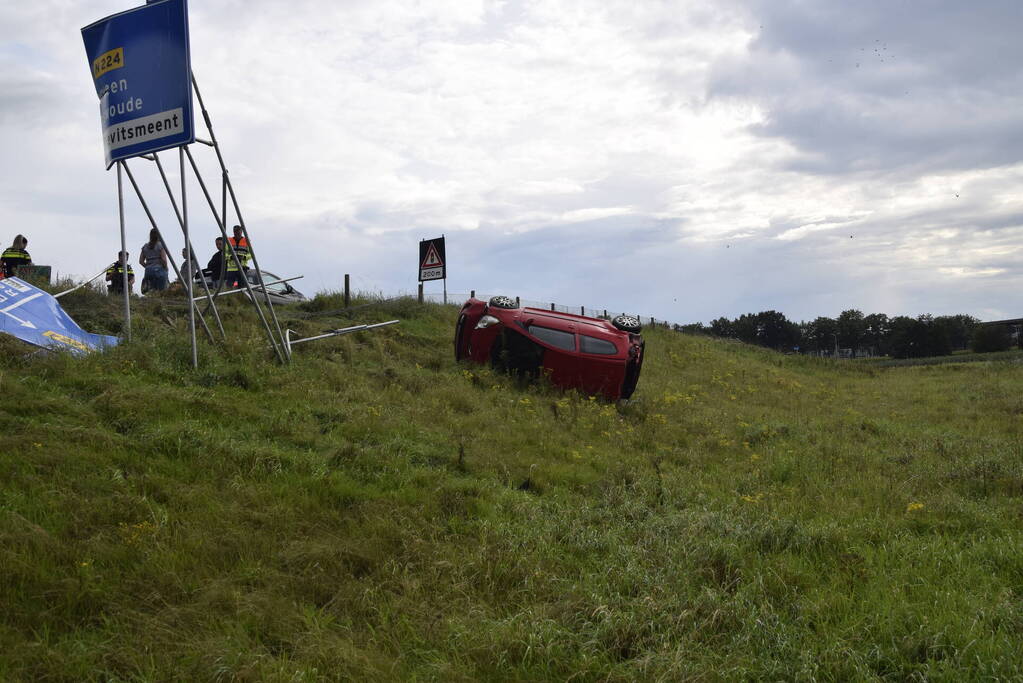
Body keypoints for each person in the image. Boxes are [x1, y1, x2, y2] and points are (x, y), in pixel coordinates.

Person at [139, 229, 168, 293]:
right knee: (161, 292)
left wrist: (148, 266)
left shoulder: (145, 246)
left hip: (148, 271)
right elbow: (163, 259)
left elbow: (141, 261)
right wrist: (165, 268)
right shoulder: (160, 245)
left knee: (150, 291)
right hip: (159, 271)